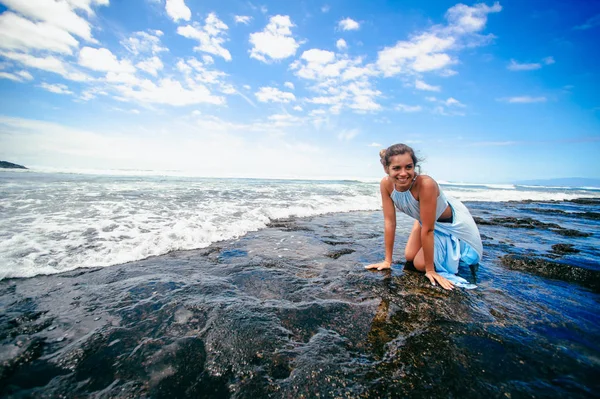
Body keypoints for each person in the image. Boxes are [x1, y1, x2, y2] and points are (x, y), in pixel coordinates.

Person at [366, 143, 482, 290]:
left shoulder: (426, 184)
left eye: (408, 167)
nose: (403, 173)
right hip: (423, 220)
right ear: (386, 168)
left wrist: (430, 270)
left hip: (447, 225)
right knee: (409, 256)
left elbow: (428, 230)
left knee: (420, 264)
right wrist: (387, 261)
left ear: (414, 166)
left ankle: (456, 244)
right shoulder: (385, 184)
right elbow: (390, 222)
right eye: (396, 168)